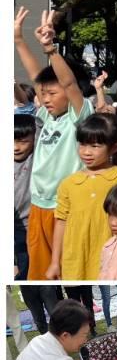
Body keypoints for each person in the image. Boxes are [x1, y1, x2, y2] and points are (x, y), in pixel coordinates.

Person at [13, 8, 94, 279]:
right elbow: (37, 77)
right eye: (43, 94)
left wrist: (50, 49)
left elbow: (68, 82)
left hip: (64, 207)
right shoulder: (48, 116)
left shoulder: (78, 116)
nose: (45, 98)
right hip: (38, 205)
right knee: (40, 272)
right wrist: (18, 40)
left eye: (52, 93)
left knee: (67, 269)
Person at [46, 113, 117, 280]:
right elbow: (61, 223)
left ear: (115, 147)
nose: (87, 152)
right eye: (82, 144)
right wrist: (54, 262)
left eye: (95, 146)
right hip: (76, 259)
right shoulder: (68, 184)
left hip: (113, 260)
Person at [14, 113, 36, 279]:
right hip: (13, 229)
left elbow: (44, 125)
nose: (16, 147)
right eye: (13, 141)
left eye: (23, 141)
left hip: (33, 225)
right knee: (21, 269)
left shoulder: (37, 157)